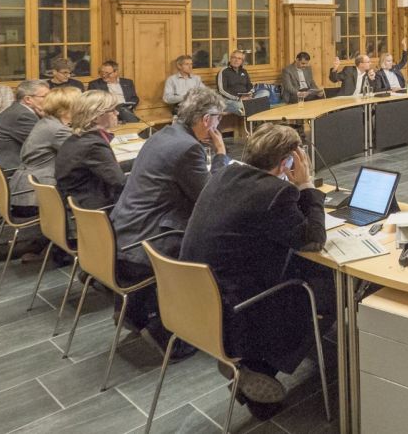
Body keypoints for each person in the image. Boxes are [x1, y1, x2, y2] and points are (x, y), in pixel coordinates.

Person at [181, 124, 329, 416]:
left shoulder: (224, 175)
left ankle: (254, 371)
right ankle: (260, 367)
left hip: (195, 301)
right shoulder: (275, 193)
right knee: (324, 287)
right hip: (236, 311)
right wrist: (306, 186)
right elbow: (313, 239)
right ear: (287, 161)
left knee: (296, 266)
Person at [109, 87, 230, 354]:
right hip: (147, 240)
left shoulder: (164, 135)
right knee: (219, 248)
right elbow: (210, 198)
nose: (219, 125)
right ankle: (166, 333)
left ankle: (134, 312)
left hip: (123, 231)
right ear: (207, 120)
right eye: (218, 119)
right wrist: (221, 154)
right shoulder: (188, 148)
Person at [10, 87, 79, 219]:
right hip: (35, 198)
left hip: (24, 190)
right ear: (64, 110)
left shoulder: (47, 122)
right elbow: (82, 154)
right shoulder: (57, 129)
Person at [54, 90, 126, 210]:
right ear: (96, 117)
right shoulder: (94, 145)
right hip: (94, 209)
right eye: (112, 110)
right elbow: (120, 183)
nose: (117, 113)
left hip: (76, 202)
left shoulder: (77, 138)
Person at [0, 80, 49, 171]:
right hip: (5, 168)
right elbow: (43, 145)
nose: (50, 100)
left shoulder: (17, 109)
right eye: (45, 96)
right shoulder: (23, 115)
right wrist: (49, 116)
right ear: (28, 99)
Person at [218, 50, 269, 115]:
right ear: (230, 59)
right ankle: (253, 109)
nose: (236, 60)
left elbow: (249, 85)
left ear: (242, 61)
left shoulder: (244, 71)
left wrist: (250, 94)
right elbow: (222, 90)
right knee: (240, 106)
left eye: (239, 58)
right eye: (234, 57)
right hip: (231, 100)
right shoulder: (223, 71)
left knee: (265, 93)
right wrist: (238, 98)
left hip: (246, 97)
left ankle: (250, 105)